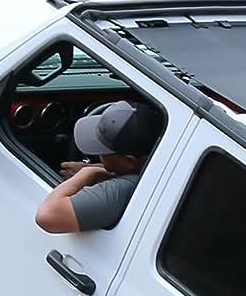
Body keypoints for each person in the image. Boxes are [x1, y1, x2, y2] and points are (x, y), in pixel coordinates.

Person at [34, 99, 165, 233]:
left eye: (102, 152)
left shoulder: (122, 189)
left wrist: (88, 172)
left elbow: (47, 216)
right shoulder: (162, 166)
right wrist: (98, 166)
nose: (98, 156)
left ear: (130, 161)